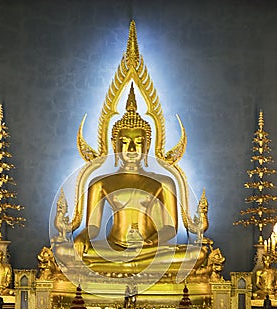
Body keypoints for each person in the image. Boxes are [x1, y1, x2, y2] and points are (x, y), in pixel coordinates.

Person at [55, 84, 208, 276]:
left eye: (138, 143)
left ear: (147, 145)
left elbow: (170, 228)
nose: (132, 149)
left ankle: (123, 270)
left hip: (149, 249)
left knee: (197, 254)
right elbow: (92, 227)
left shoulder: (163, 182)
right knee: (64, 252)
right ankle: (129, 268)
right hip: (113, 248)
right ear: (115, 144)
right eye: (125, 142)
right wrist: (82, 237)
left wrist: (149, 242)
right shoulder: (100, 182)